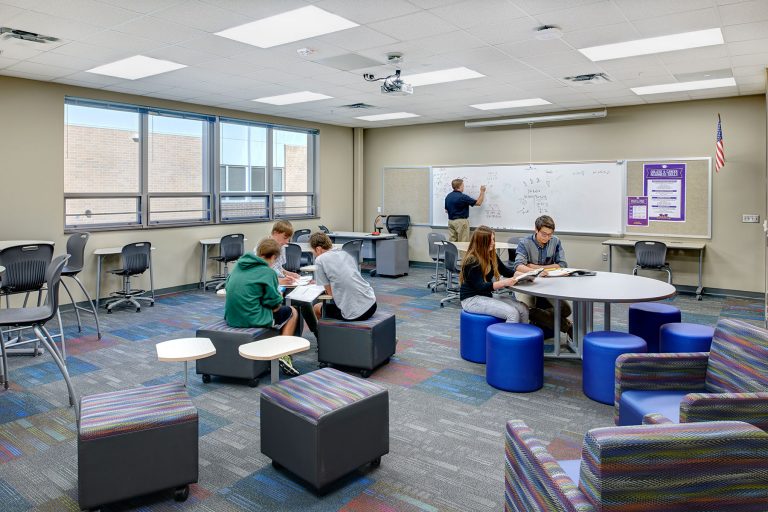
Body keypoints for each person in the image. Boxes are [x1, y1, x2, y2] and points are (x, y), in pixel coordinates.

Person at [225, 238, 300, 376]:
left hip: (231, 317)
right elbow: (274, 305)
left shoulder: (238, 267)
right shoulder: (268, 272)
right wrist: (278, 296)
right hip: (252, 319)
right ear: (273, 257)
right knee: (292, 312)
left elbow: (228, 287)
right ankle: (284, 354)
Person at [513, 215, 573, 337]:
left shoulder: (555, 241)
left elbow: (562, 264)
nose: (547, 238)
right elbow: (518, 266)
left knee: (566, 310)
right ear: (536, 229)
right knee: (526, 310)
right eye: (544, 234)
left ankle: (543, 318)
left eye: (550, 234)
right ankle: (568, 327)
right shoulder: (524, 243)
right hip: (527, 284)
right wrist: (545, 269)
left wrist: (533, 266)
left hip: (548, 284)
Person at [459, 225, 529, 323]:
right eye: (490, 240)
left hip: (485, 295)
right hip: (471, 299)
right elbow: (481, 287)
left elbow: (505, 271)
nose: (493, 242)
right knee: (512, 313)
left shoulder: (491, 255)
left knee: (523, 309)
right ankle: (508, 338)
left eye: (493, 239)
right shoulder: (472, 260)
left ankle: (522, 337)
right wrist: (504, 283)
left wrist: (525, 275)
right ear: (481, 242)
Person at [309, 232, 377, 322]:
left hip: (355, 313)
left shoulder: (320, 260)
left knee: (317, 307)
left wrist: (323, 285)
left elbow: (330, 294)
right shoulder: (345, 253)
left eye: (313, 251)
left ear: (318, 249)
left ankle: (322, 335)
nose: (313, 253)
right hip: (371, 303)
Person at [444, 178, 486, 242]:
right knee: (463, 243)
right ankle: (462, 253)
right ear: (460, 186)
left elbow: (446, 210)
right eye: (463, 185)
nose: (464, 187)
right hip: (461, 222)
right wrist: (482, 192)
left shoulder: (448, 196)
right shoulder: (462, 197)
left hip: (451, 222)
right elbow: (478, 203)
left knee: (453, 243)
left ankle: (453, 252)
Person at [267, 220, 301, 286]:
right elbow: (262, 275)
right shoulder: (264, 248)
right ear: (275, 233)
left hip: (280, 282)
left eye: (288, 239)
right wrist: (279, 281)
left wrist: (289, 274)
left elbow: (278, 268)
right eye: (285, 238)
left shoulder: (281, 247)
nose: (287, 242)